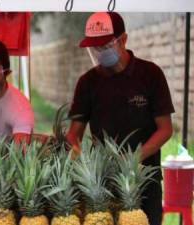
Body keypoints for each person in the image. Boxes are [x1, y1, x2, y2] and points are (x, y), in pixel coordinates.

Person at [66, 12, 174, 225]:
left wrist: (135, 158)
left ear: (123, 39)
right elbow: (73, 134)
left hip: (145, 181)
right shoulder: (87, 83)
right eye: (95, 48)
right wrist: (80, 159)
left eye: (104, 46)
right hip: (103, 185)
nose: (99, 53)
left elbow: (165, 129)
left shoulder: (150, 74)